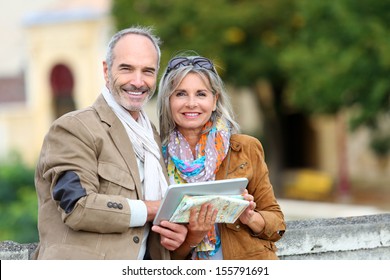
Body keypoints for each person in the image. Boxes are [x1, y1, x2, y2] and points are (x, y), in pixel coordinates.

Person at [33, 26, 188, 260]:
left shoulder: (152, 137)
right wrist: (154, 209)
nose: (138, 81)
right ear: (106, 71)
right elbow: (77, 207)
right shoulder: (73, 128)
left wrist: (173, 236)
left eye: (148, 71)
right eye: (126, 69)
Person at [153, 54, 286, 260]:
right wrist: (193, 236)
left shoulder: (245, 148)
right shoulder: (156, 159)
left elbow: (277, 224)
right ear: (168, 101)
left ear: (214, 101)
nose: (191, 103)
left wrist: (250, 216)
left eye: (201, 94)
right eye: (180, 94)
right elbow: (161, 254)